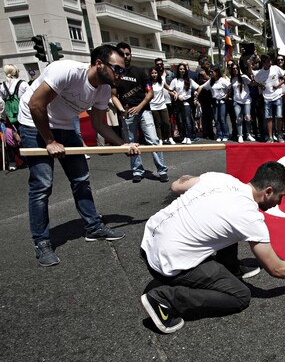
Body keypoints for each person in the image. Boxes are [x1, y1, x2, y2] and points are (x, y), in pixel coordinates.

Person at [140, 161, 285, 334]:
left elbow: (176, 186)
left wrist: (191, 181)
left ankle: (231, 269)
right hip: (167, 263)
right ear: (268, 191)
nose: (280, 203)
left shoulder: (220, 178)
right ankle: (165, 299)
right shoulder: (250, 217)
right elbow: (276, 268)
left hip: (149, 241)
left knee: (227, 228)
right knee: (240, 296)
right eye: (280, 197)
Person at [18, 44, 139, 266]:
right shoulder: (68, 71)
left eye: (123, 70)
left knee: (81, 179)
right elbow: (36, 104)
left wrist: (123, 144)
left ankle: (93, 227)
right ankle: (42, 242)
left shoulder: (103, 89)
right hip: (34, 122)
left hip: (64, 125)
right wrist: (50, 141)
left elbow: (99, 125)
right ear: (100, 64)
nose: (120, 75)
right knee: (42, 185)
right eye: (117, 69)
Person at [112, 42, 169, 183]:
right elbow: (113, 96)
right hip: (127, 113)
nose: (125, 56)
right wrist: (121, 110)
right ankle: (137, 171)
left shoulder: (140, 71)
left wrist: (139, 107)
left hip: (144, 111)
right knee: (132, 143)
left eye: (127, 54)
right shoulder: (114, 74)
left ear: (131, 55)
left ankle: (162, 170)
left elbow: (150, 93)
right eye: (122, 54)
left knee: (153, 140)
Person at [253, 55, 285, 143]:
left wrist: (279, 84)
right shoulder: (260, 73)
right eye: (267, 62)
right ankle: (270, 136)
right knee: (269, 118)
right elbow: (255, 82)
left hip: (278, 95)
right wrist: (261, 85)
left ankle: (279, 135)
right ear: (263, 63)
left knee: (279, 116)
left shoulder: (275, 68)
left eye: (270, 61)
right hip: (267, 98)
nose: (270, 63)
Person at [196, 66, 231, 142]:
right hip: (215, 102)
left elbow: (230, 87)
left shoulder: (222, 80)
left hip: (222, 102)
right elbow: (202, 86)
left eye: (212, 72)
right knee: (216, 119)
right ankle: (219, 134)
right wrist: (196, 95)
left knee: (222, 119)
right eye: (210, 72)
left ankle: (226, 134)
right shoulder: (211, 81)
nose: (211, 73)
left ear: (217, 72)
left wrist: (227, 95)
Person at [168, 63, 200, 144]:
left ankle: (189, 137)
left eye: (183, 69)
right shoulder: (175, 80)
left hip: (186, 103)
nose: (182, 70)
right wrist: (175, 94)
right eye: (180, 69)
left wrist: (196, 94)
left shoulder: (189, 80)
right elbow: (170, 90)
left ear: (186, 70)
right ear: (178, 70)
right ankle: (183, 136)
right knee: (180, 121)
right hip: (178, 103)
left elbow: (198, 87)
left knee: (188, 120)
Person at [149, 67, 175, 145]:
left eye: (155, 73)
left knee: (167, 122)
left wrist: (175, 93)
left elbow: (169, 89)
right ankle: (160, 139)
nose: (154, 75)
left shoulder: (162, 82)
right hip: (153, 106)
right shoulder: (148, 83)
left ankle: (170, 138)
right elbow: (146, 94)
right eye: (152, 73)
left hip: (162, 105)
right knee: (157, 123)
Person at [229, 63, 255, 143]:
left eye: (236, 68)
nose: (235, 70)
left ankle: (248, 134)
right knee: (238, 119)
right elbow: (229, 89)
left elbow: (252, 84)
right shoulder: (232, 79)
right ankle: (240, 135)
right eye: (233, 68)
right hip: (237, 101)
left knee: (247, 118)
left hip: (246, 101)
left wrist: (253, 79)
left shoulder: (244, 77)